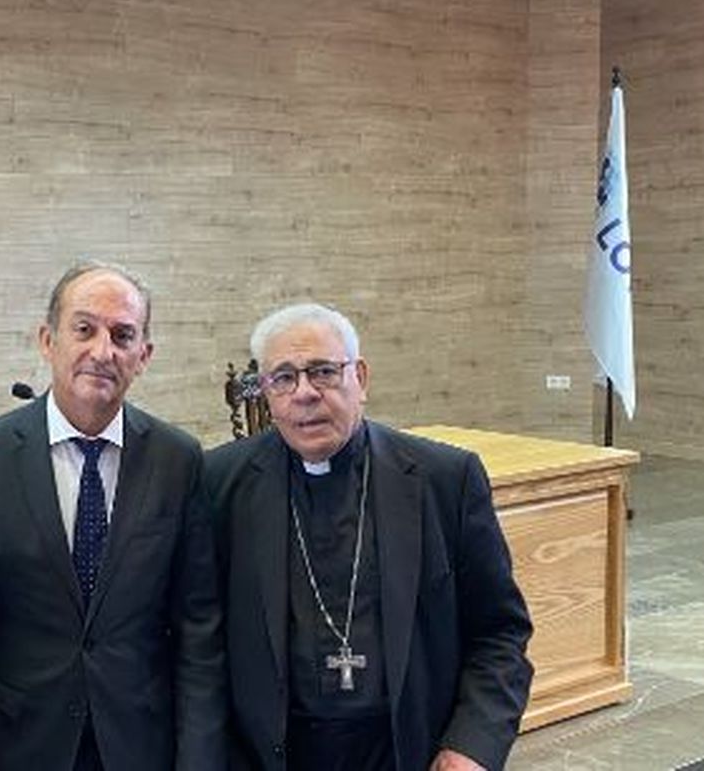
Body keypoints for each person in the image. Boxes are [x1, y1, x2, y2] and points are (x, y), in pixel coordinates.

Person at [205, 303, 533, 771]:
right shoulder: (220, 483)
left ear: (359, 377)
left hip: (407, 753)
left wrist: (471, 746)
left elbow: (499, 632)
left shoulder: (444, 479)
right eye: (283, 378)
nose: (304, 393)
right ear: (267, 393)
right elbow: (196, 643)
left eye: (322, 372)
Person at [0, 261, 225, 771]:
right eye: (84, 329)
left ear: (143, 355)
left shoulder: (178, 460)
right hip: (15, 744)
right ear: (48, 340)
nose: (102, 351)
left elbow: (199, 631)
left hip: (140, 744)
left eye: (122, 335)